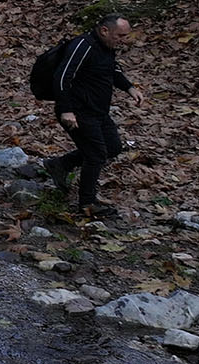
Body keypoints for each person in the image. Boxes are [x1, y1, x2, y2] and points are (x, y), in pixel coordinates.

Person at [42, 12, 144, 218]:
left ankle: (60, 164)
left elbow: (111, 70)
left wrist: (130, 88)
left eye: (126, 36)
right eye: (121, 36)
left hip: (99, 111)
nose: (124, 41)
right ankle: (87, 203)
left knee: (113, 147)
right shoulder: (83, 46)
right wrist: (65, 110)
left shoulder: (106, 48)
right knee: (95, 154)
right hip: (78, 111)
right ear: (104, 30)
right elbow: (62, 76)